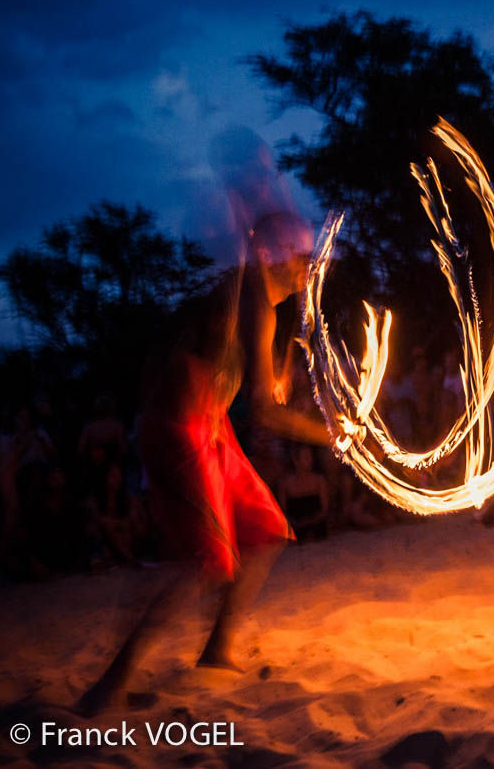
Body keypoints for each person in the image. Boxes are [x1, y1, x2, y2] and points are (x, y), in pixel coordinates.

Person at [79, 129, 335, 713]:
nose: (308, 270)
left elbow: (266, 389)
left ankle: (217, 653)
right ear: (276, 258)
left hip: (209, 426)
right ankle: (110, 686)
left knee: (266, 529)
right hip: (178, 428)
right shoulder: (247, 292)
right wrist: (330, 436)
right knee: (202, 562)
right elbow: (268, 413)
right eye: (301, 259)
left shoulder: (265, 306)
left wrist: (288, 365)